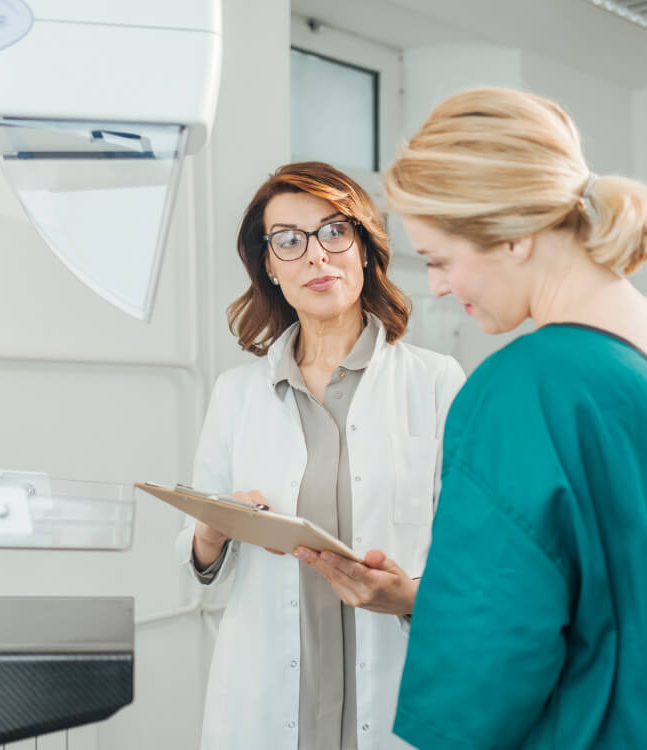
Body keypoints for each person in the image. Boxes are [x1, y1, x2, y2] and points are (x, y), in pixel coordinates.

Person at [299, 87, 647, 749]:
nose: (433, 286)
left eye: (438, 259)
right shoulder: (629, 367)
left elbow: (487, 657)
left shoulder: (527, 389)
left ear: (514, 238)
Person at [176, 161, 465, 750]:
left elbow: (473, 555)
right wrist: (212, 527)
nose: (315, 255)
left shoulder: (435, 382)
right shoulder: (237, 394)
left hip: (394, 693)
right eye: (288, 240)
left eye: (335, 232)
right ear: (270, 268)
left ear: (364, 249)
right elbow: (201, 562)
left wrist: (408, 596)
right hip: (270, 699)